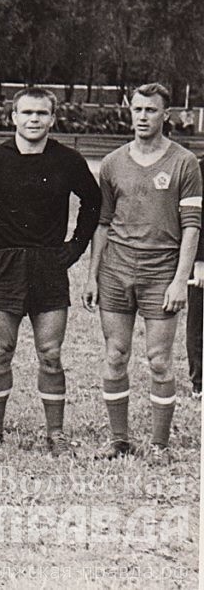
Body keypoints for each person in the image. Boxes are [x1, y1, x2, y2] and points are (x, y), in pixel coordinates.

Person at [0, 87, 101, 455]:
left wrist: (75, 247)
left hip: (49, 267)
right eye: (26, 112)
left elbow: (93, 201)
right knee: (1, 351)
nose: (33, 119)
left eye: (41, 113)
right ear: (13, 116)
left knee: (50, 353)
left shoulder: (68, 160)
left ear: (52, 118)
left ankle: (55, 434)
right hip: (6, 266)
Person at [82, 83, 202, 464]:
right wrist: (92, 275)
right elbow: (102, 224)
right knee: (115, 354)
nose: (143, 116)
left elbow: (192, 227)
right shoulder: (113, 162)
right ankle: (119, 440)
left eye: (151, 110)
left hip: (161, 271)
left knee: (159, 359)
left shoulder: (185, 163)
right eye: (137, 109)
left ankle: (159, 445)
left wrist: (180, 279)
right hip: (117, 270)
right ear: (129, 112)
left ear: (166, 115)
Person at [188, 157, 204, 401]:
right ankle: (199, 381)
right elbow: (197, 217)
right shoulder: (200, 169)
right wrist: (200, 260)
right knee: (199, 321)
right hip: (203, 262)